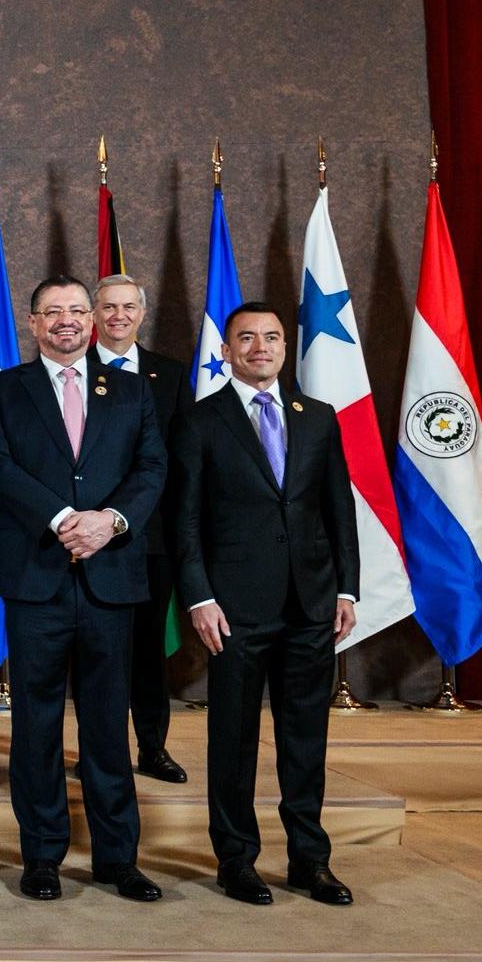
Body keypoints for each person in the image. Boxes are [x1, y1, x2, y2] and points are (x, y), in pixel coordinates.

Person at [0, 275, 165, 903]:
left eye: (77, 311)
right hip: (37, 577)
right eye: (52, 311)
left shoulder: (132, 389)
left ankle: (117, 859)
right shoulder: (4, 389)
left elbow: (151, 468)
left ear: (93, 320)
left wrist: (110, 521)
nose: (66, 321)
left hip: (110, 577)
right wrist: (62, 519)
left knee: (108, 725)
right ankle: (42, 856)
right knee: (37, 725)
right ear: (32, 323)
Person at [171, 302, 359, 907]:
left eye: (272, 337)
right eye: (246, 338)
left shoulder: (318, 418)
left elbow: (339, 509)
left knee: (306, 740)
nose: (260, 347)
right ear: (226, 351)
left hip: (310, 604)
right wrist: (199, 596)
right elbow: (184, 521)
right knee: (233, 740)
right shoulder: (199, 421)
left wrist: (347, 588)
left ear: (284, 347)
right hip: (233, 609)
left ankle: (310, 860)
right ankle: (237, 860)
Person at [89, 274, 190, 784]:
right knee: (95, 654)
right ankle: (97, 754)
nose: (119, 316)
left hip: (150, 538)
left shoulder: (169, 375)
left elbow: (180, 460)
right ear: (93, 314)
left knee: (148, 650)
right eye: (109, 307)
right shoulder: (73, 370)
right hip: (86, 537)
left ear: (142, 314)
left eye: (128, 307)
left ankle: (153, 748)